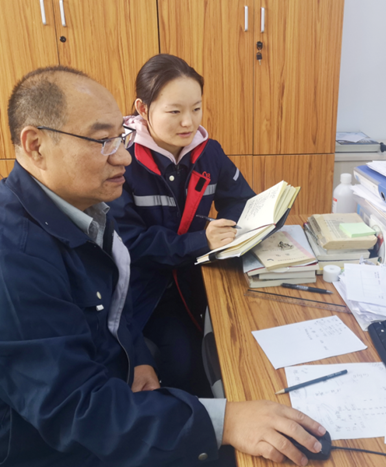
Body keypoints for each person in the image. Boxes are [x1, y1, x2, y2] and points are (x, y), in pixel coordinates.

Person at [0, 66, 325, 467]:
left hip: (77, 409)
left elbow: (112, 303)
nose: (123, 156)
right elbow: (78, 412)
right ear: (36, 146)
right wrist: (226, 421)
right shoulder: (2, 266)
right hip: (21, 447)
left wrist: (136, 356)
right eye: (103, 141)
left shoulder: (80, 211)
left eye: (122, 137)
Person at [109, 54, 255, 396]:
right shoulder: (123, 160)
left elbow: (242, 200)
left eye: (196, 109)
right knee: (187, 364)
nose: (188, 122)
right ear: (143, 109)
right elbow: (131, 243)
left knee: (244, 335)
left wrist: (232, 228)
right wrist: (202, 241)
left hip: (200, 274)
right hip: (148, 289)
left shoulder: (208, 152)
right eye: (174, 111)